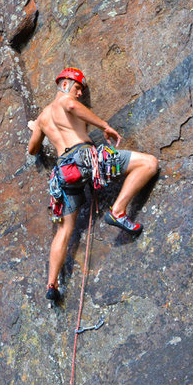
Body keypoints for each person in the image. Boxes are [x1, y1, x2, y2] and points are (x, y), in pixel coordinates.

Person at [27, 67, 158, 303]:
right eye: (77, 88)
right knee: (149, 163)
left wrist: (39, 129)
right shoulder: (66, 100)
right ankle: (118, 211)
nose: (78, 94)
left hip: (64, 173)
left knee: (65, 230)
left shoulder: (43, 118)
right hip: (85, 159)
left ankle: (52, 283)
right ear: (64, 85)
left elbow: (32, 149)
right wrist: (104, 125)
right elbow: (71, 106)